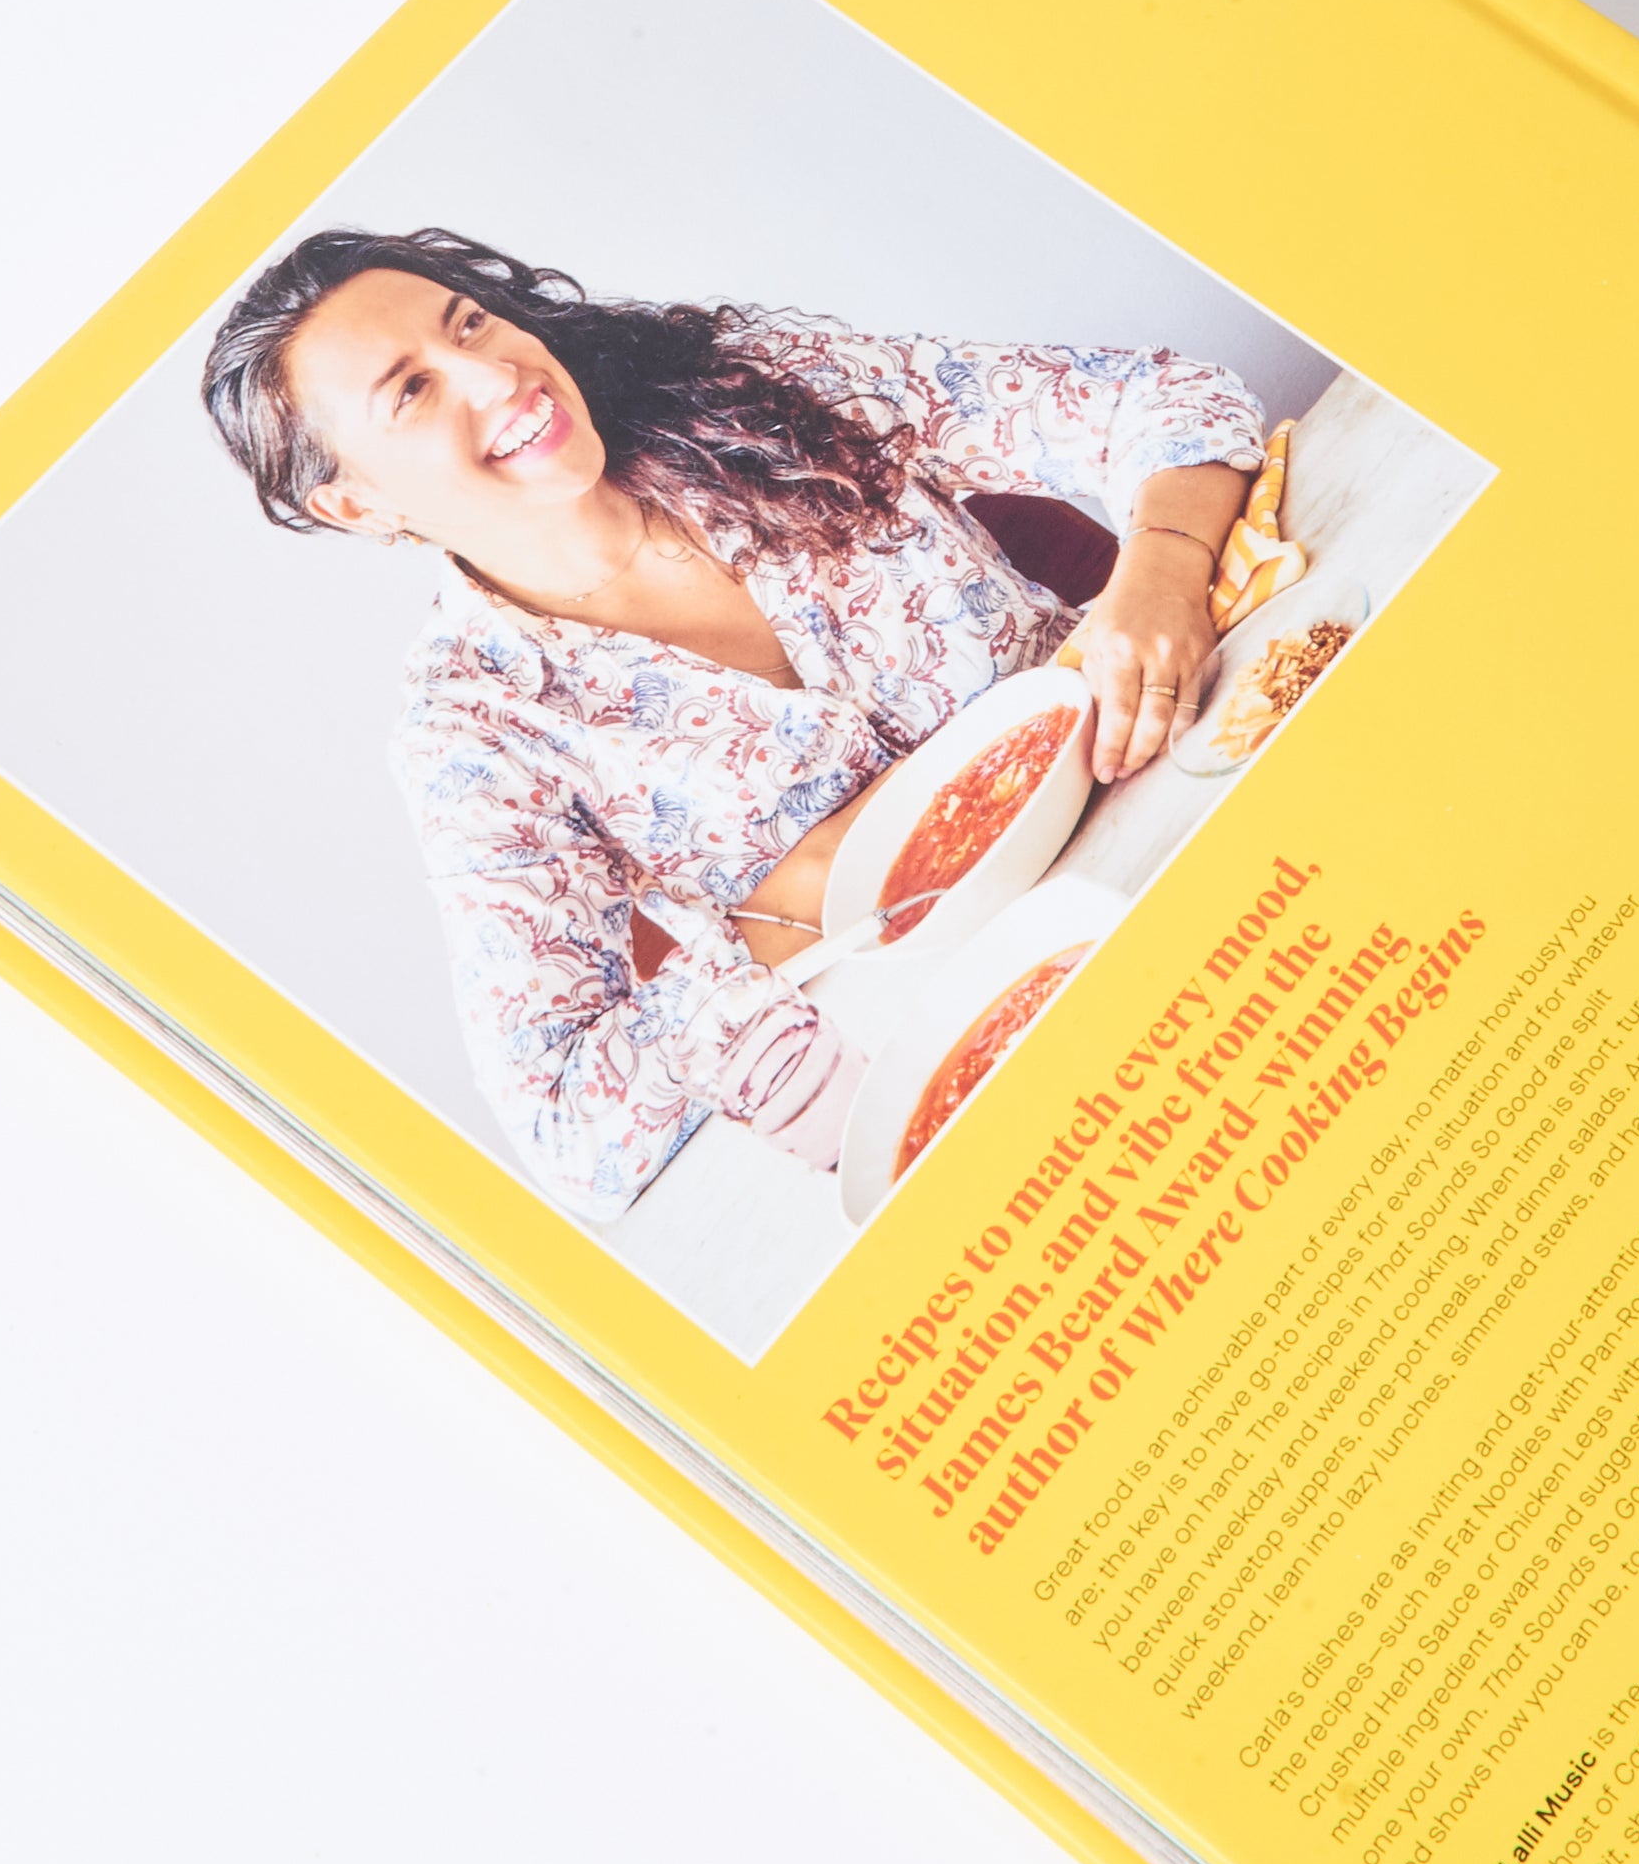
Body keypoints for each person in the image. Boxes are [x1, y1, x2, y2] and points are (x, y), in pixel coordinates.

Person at [201, 228, 1264, 1221]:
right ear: (359, 505)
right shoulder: (474, 734)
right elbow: (566, 1127)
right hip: (1022, 1041)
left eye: (468, 323)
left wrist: (1160, 571)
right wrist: (779, 917)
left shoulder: (755, 380)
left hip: (1199, 784)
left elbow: (1163, 398)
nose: (493, 375)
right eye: (412, 390)